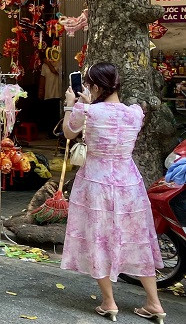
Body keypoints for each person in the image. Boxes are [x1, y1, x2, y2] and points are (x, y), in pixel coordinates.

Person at [62, 62, 166, 323]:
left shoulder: (86, 111)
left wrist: (70, 104)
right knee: (135, 237)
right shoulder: (135, 113)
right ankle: (154, 303)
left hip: (95, 182)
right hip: (128, 181)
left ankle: (109, 302)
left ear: (95, 86)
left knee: (98, 236)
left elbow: (68, 132)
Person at [39, 55, 63, 136]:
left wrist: (48, 63)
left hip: (57, 94)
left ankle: (56, 133)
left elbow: (54, 71)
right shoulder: (44, 66)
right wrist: (41, 90)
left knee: (56, 115)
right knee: (48, 115)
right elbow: (42, 78)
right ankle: (50, 133)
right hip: (48, 94)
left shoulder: (59, 63)